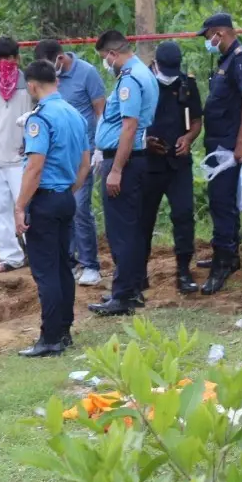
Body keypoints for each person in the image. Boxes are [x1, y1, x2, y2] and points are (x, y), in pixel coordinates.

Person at [13, 61, 91, 357]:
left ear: (32, 86)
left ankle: (50, 338)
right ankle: (64, 331)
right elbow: (84, 165)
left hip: (44, 200)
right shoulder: (75, 115)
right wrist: (68, 190)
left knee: (46, 272)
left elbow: (34, 167)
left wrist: (21, 206)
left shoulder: (40, 119)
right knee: (62, 268)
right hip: (66, 199)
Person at [88, 30, 158, 316]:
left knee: (122, 232)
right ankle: (131, 288)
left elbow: (129, 127)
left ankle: (124, 295)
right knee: (131, 228)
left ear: (113, 54)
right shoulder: (143, 72)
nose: (106, 63)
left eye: (105, 58)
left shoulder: (130, 79)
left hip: (124, 162)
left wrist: (115, 169)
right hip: (133, 159)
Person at [196, 12, 242, 296]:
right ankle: (229, 255)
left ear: (219, 33)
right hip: (218, 142)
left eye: (208, 36)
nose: (207, 41)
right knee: (222, 201)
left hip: (229, 143)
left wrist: (241, 142)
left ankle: (221, 264)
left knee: (222, 203)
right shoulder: (225, 61)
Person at [34, 38, 106, 287]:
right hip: (57, 158)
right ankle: (70, 261)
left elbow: (100, 112)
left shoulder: (87, 73)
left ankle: (90, 264)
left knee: (80, 207)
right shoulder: (47, 81)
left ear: (60, 58)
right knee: (64, 208)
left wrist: (100, 148)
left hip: (83, 154)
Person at [141, 41, 203, 295]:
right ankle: (139, 273)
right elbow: (129, 123)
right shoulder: (143, 84)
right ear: (155, 64)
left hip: (178, 164)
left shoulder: (187, 85)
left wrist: (187, 139)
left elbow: (197, 121)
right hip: (149, 164)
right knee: (143, 220)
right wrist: (144, 141)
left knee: (183, 215)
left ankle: (184, 271)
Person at [0, 37, 31, 272]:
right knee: (0, 207)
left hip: (21, 157)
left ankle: (37, 253)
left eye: (9, 58)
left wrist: (31, 140)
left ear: (17, 58)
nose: (5, 63)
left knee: (27, 205)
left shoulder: (29, 82)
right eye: (0, 59)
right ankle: (11, 257)